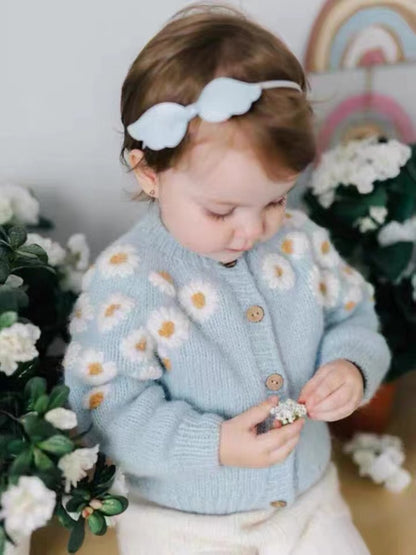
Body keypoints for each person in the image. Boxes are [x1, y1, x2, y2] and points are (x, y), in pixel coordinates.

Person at [64, 4, 391, 554]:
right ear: (149, 173)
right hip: (181, 522)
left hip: (307, 503)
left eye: (276, 199)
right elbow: (106, 411)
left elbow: (354, 316)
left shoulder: (299, 242)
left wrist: (352, 367)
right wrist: (212, 443)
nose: (252, 230)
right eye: (222, 211)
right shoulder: (129, 281)